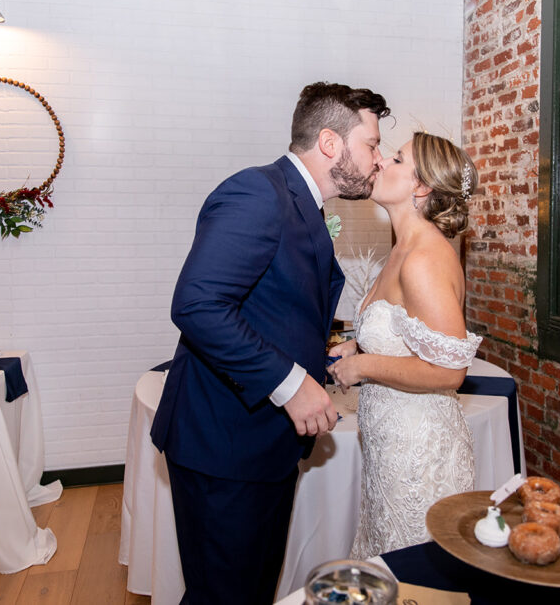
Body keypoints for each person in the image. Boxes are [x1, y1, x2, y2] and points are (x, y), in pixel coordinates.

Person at [150, 82, 391, 604]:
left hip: (261, 443)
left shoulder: (302, 202)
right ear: (331, 143)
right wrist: (290, 383)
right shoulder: (258, 192)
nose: (379, 158)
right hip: (225, 444)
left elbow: (273, 306)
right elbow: (197, 305)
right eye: (371, 144)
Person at [327, 131, 482, 558]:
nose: (380, 162)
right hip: (390, 448)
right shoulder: (401, 248)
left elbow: (451, 371)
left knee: (415, 575)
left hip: (418, 455)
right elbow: (407, 333)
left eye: (396, 159)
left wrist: (363, 367)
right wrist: (357, 349)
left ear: (421, 187)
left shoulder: (423, 259)